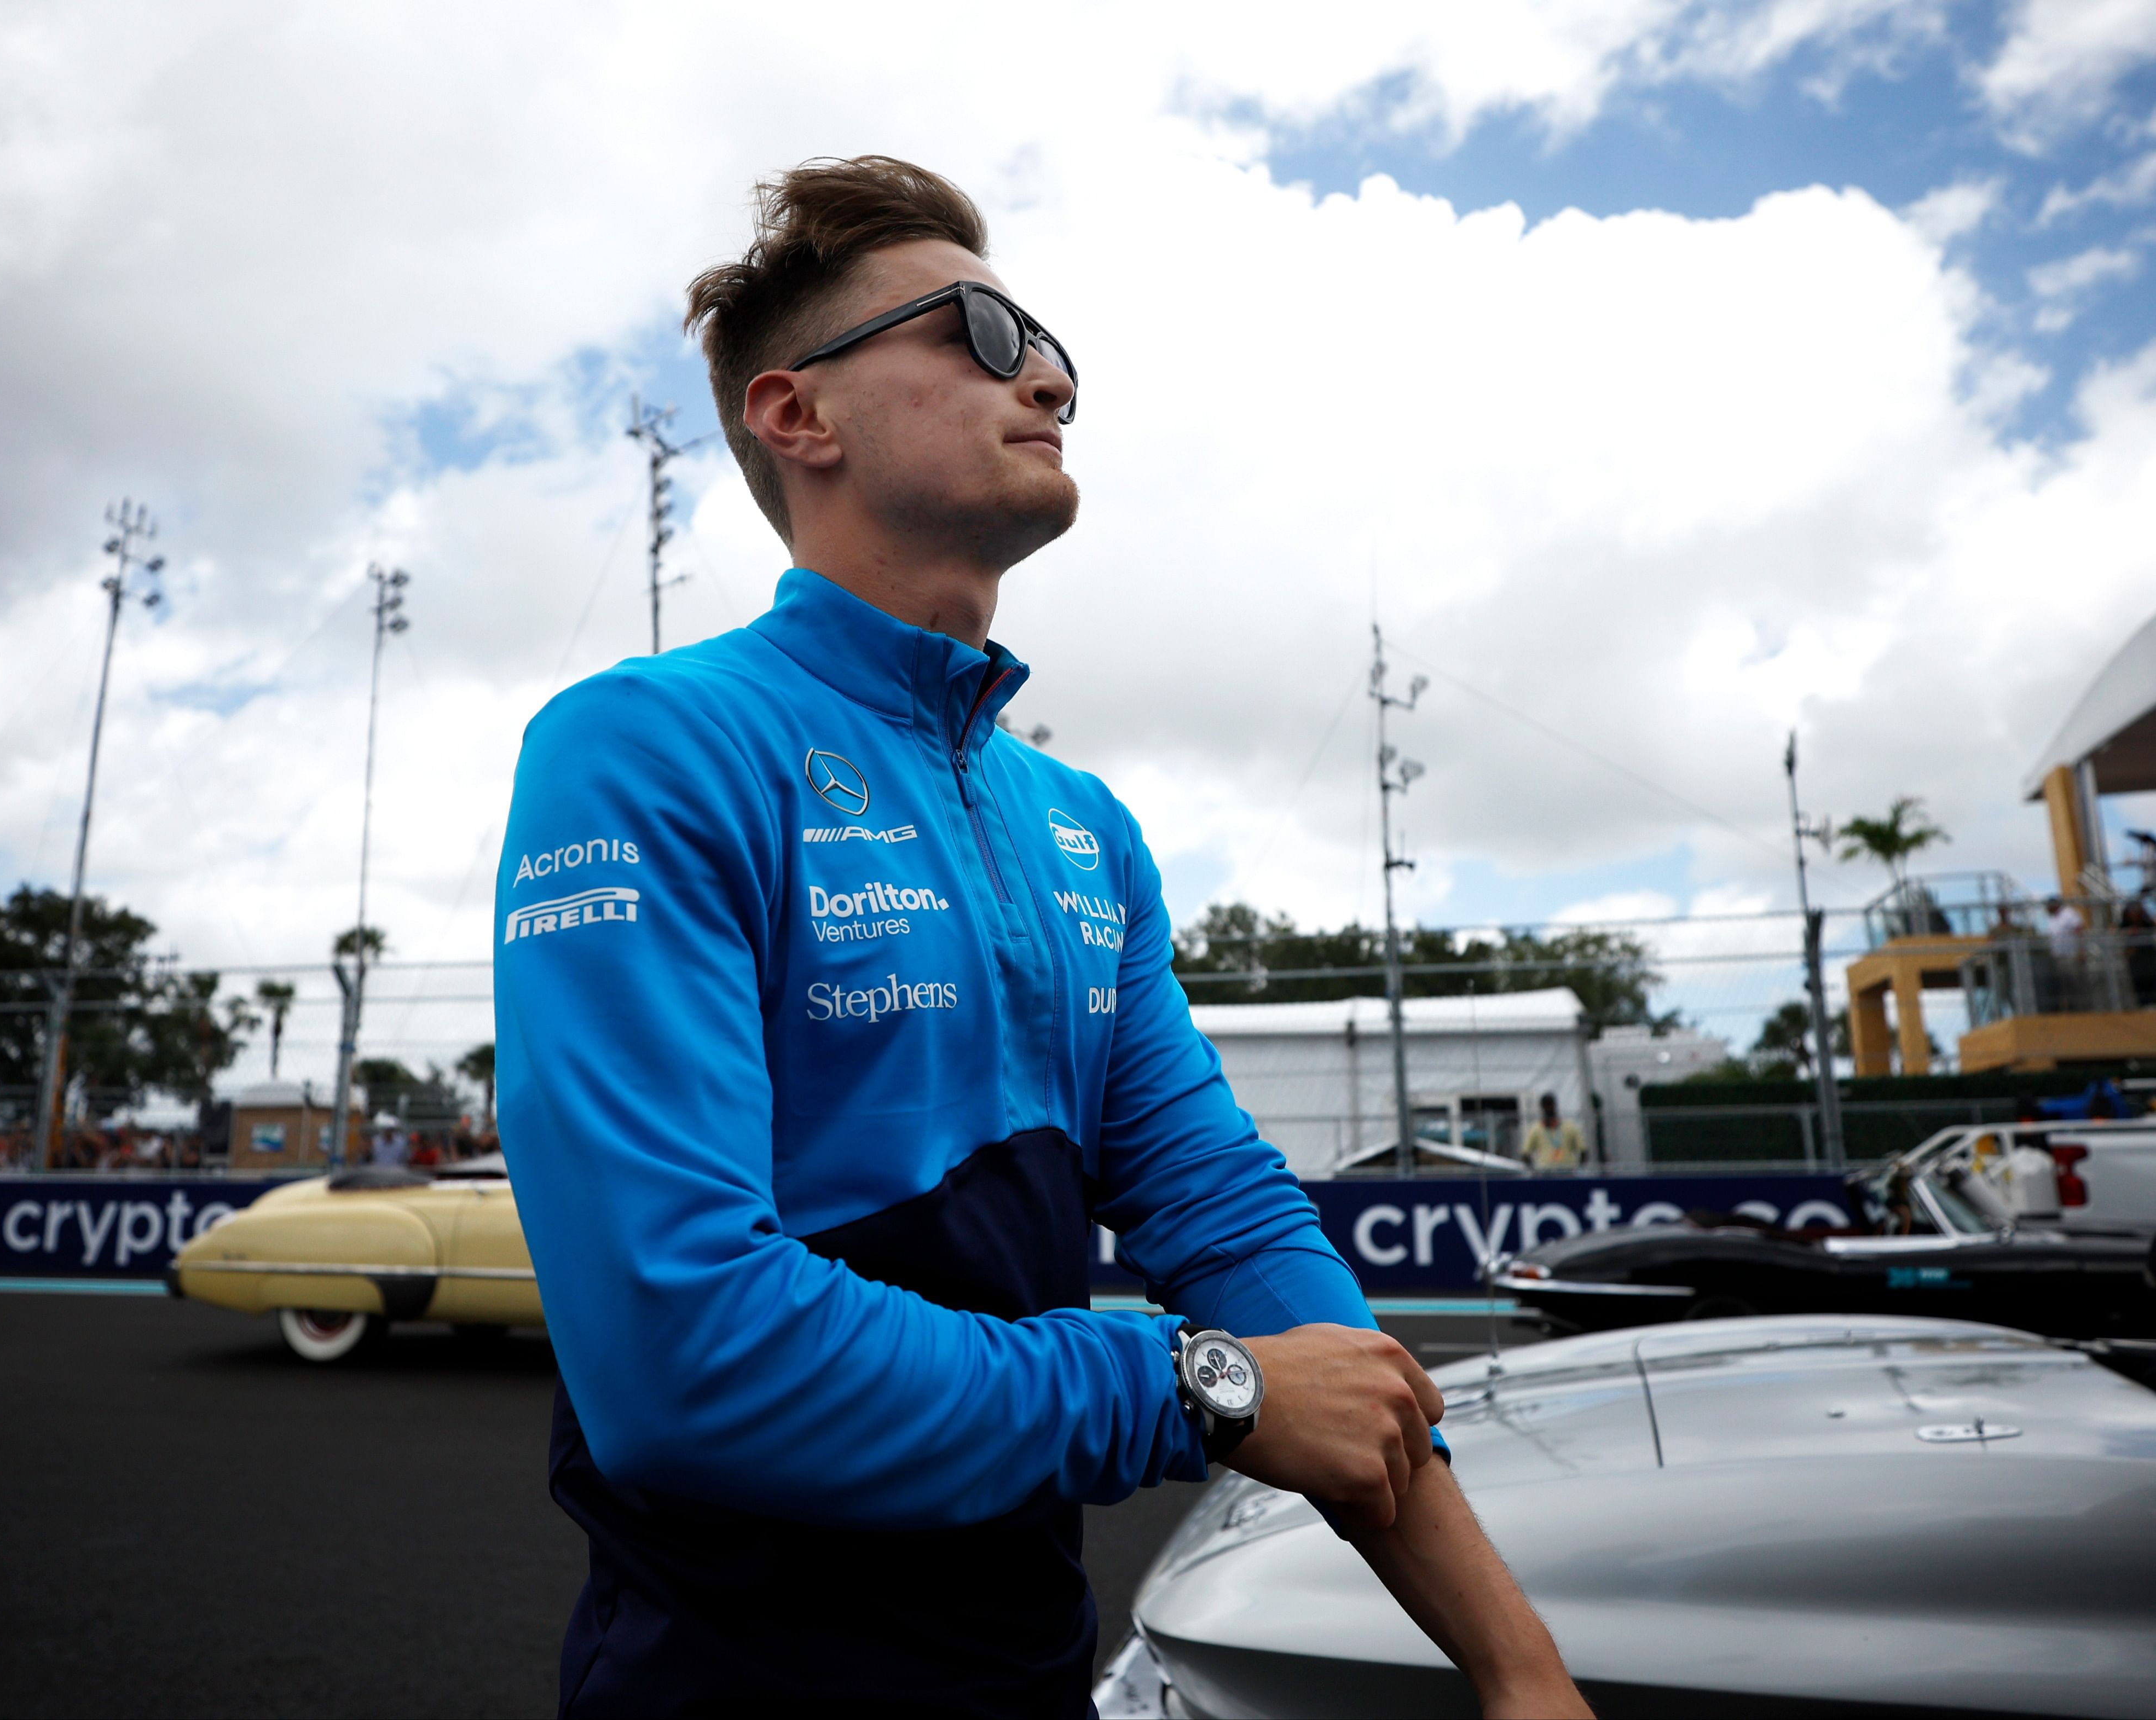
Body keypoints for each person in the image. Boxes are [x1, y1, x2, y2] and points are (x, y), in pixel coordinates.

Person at [495, 156, 1585, 1719]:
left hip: (1026, 1672)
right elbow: (683, 1351)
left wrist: (1515, 1665)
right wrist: (1199, 1387)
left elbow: (1231, 1226)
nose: (1051, 374)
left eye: (1050, 340)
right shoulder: (647, 743)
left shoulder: (1082, 822)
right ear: (796, 415)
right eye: (981, 331)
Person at [1521, 1093, 1586, 1170]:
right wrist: (1534, 1171)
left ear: (1555, 1105)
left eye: (1550, 1105)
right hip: (1546, 1172)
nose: (1548, 1109)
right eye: (1546, 1106)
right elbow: (1525, 1153)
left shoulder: (1569, 1127)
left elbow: (1583, 1151)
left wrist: (1578, 1169)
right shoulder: (1537, 1129)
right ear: (1542, 1107)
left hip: (1567, 1171)